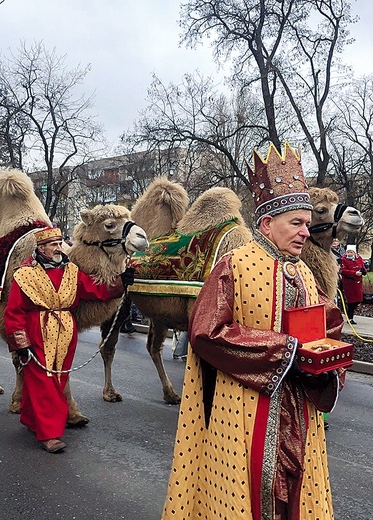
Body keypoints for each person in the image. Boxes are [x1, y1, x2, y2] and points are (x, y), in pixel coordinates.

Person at [161, 143, 345, 520]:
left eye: (307, 224)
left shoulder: (306, 272)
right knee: (251, 493)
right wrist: (284, 351)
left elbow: (331, 325)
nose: (305, 233)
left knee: (295, 490)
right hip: (246, 409)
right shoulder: (234, 266)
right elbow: (206, 332)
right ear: (266, 224)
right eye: (296, 223)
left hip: (300, 409)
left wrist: (331, 362)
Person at [4, 226, 135, 453]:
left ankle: (30, 417)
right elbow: (14, 312)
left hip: (65, 334)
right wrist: (21, 345)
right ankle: (49, 434)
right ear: (41, 248)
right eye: (53, 244)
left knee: (57, 379)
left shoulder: (71, 271)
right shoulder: (24, 275)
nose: (58, 248)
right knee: (43, 381)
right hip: (37, 332)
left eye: (59, 243)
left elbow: (96, 290)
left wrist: (121, 282)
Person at [340, 244, 367, 324]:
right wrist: (354, 273)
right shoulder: (344, 260)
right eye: (348, 252)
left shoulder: (359, 259)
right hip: (349, 283)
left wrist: (363, 271)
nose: (350, 254)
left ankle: (350, 314)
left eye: (351, 252)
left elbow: (362, 266)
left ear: (354, 253)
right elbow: (343, 271)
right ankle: (350, 317)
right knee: (351, 301)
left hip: (358, 283)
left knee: (358, 300)